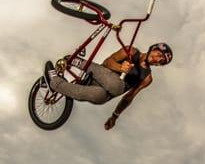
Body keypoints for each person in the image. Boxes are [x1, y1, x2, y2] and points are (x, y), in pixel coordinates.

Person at [44, 42, 173, 130]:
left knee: (99, 96)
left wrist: (115, 116)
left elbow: (128, 98)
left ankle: (55, 82)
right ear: (154, 48)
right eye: (159, 55)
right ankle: (76, 61)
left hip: (108, 93)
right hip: (100, 75)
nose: (157, 60)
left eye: (161, 62)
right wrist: (120, 67)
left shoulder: (147, 78)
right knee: (116, 84)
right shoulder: (131, 51)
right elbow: (107, 62)